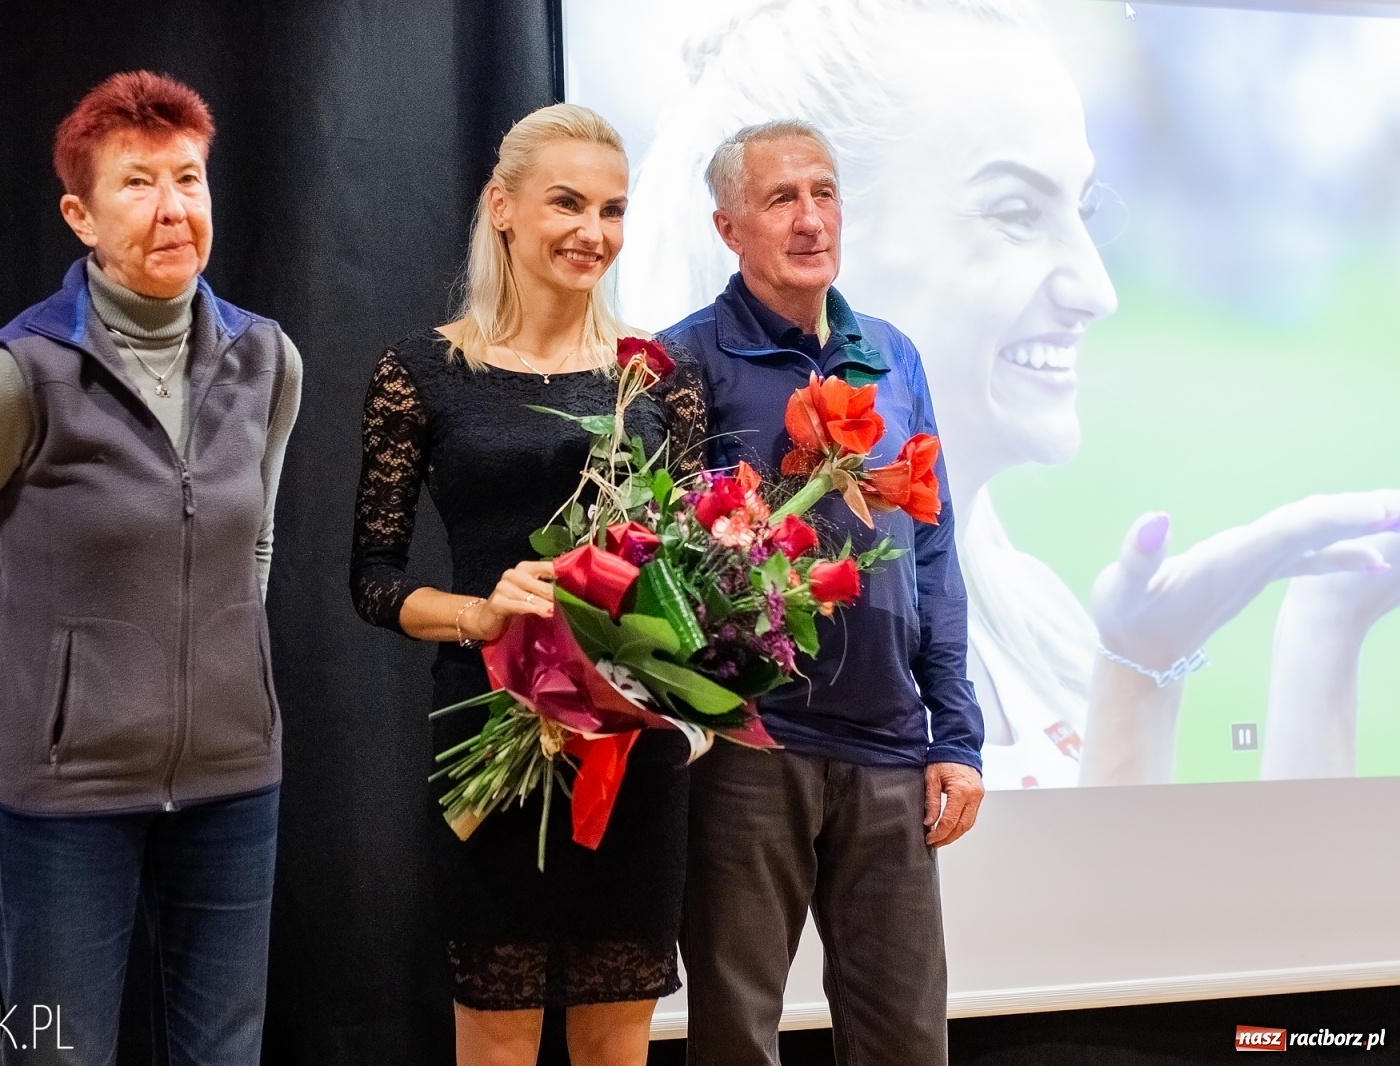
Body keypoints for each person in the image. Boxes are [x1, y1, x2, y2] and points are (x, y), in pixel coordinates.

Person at [623, 0, 1400, 789]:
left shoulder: (1033, 616)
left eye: (1083, 209)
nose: (1098, 290)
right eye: (1017, 212)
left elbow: (1169, 904)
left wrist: (1328, 627)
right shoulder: (756, 641)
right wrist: (1137, 670)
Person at [0, 71, 303, 1064]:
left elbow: (255, 535)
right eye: (137, 184)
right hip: (62, 800)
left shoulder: (269, 359)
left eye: (189, 178)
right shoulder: (21, 376)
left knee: (224, 1052)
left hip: (234, 785)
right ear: (81, 215)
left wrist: (225, 669)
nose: (174, 207)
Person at [349, 103, 705, 1066]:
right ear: (503, 208)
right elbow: (372, 583)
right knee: (497, 1047)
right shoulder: (422, 371)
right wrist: (482, 611)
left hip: (629, 751)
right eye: (567, 203)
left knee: (616, 1046)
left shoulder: (659, 377)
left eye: (614, 210)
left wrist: (689, 694)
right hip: (486, 733)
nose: (594, 233)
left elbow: (698, 572)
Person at [658, 120, 983, 1066]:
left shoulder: (891, 352)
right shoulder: (685, 361)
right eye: (781, 199)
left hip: (889, 748)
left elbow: (932, 553)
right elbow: (665, 564)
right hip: (750, 749)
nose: (811, 220)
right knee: (736, 1037)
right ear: (728, 228)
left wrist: (953, 736)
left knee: (906, 1041)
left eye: (825, 192)